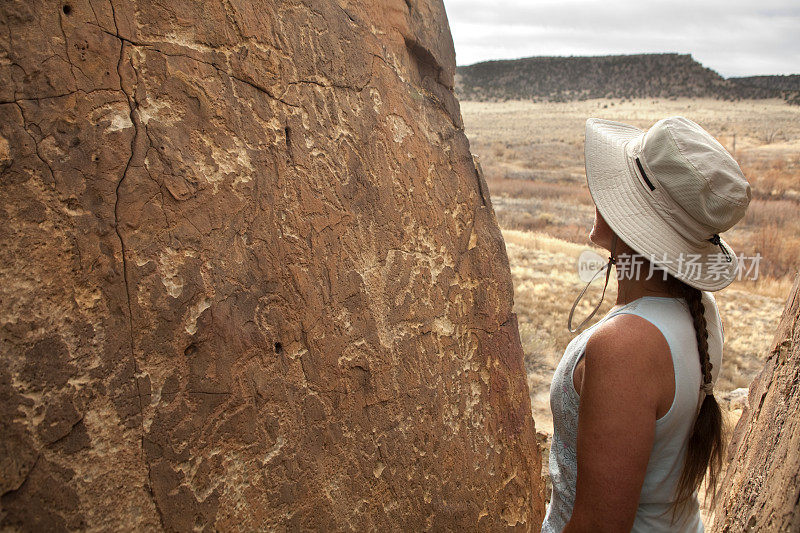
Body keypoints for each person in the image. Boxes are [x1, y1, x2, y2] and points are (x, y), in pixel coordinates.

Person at [541, 116, 752, 532]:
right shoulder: (696, 309)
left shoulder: (626, 348)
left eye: (613, 187)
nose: (597, 194)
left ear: (631, 220)